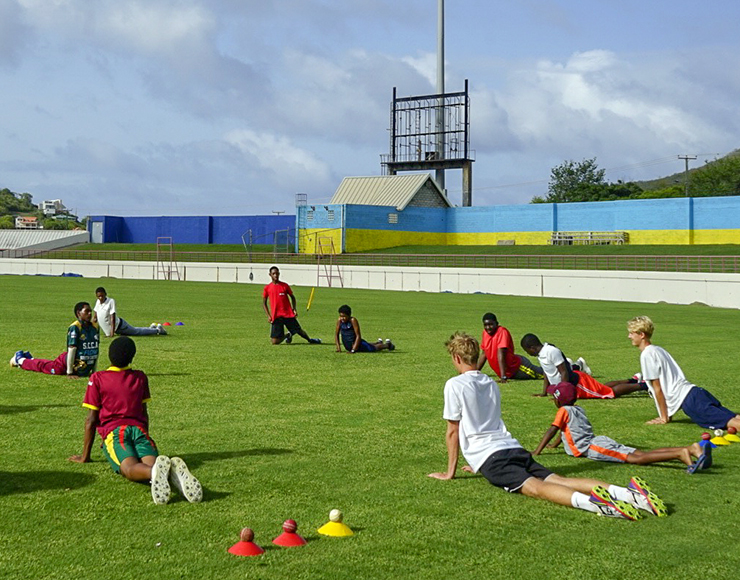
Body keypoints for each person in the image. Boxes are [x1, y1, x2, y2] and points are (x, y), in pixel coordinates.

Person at [427, 332, 666, 520]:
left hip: (492, 457)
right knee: (559, 479)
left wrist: (451, 473)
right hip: (512, 448)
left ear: (456, 358)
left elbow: (453, 431)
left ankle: (597, 505)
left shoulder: (454, 385)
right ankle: (628, 493)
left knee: (536, 489)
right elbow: (485, 422)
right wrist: (477, 463)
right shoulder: (490, 382)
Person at [68, 336, 202, 505]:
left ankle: (156, 473)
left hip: (116, 433)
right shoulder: (140, 377)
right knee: (151, 465)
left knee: (129, 468)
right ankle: (167, 473)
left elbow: (91, 419)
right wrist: (145, 433)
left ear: (109, 355)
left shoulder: (98, 378)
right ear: (132, 358)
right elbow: (144, 413)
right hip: (139, 431)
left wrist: (85, 456)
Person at [533, 382, 711, 477]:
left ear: (558, 400)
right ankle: (691, 449)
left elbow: (553, 430)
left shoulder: (563, 411)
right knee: (641, 453)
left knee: (637, 459)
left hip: (593, 448)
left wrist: (538, 451)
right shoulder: (578, 409)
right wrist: (555, 446)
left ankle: (680, 454)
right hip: (599, 441)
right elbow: (565, 432)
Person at [628, 316, 740, 431]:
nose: (629, 336)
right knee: (734, 418)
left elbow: (658, 388)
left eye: (632, 333)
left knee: (733, 423)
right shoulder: (657, 349)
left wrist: (664, 417)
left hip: (690, 401)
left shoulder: (647, 355)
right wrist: (668, 415)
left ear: (641, 335)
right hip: (696, 393)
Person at [520, 333, 645, 399]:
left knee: (608, 393)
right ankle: (632, 380)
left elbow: (564, 372)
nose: (527, 354)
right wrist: (544, 392)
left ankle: (644, 386)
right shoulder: (541, 354)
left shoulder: (551, 351)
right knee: (602, 388)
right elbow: (547, 373)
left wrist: (564, 393)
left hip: (577, 384)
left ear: (532, 347)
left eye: (527, 351)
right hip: (571, 384)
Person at [10, 302, 100, 379]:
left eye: (90, 311)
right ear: (78, 313)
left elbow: (96, 350)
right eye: (86, 311)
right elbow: (72, 349)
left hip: (79, 365)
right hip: (66, 362)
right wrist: (69, 372)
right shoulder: (75, 327)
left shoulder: (95, 327)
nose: (89, 314)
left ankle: (29, 358)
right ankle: (20, 360)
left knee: (49, 364)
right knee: (46, 367)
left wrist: (94, 372)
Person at [262, 266, 321, 345]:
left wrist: (294, 309)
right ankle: (288, 335)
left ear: (279, 274)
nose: (275, 275)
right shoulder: (267, 288)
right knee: (274, 342)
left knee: (299, 331)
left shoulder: (284, 286)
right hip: (276, 316)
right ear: (270, 275)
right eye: (273, 274)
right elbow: (264, 303)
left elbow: (292, 297)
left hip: (287, 314)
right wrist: (269, 315)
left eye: (277, 273)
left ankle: (310, 340)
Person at [476, 312, 543, 381]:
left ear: (496, 323)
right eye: (485, 325)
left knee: (543, 374)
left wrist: (503, 377)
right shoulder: (485, 333)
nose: (488, 327)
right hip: (509, 372)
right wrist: (475, 372)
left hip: (518, 367)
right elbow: (484, 354)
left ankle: (552, 365)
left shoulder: (502, 332)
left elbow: (501, 354)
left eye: (491, 324)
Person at [93, 287, 166, 337]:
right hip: (117, 330)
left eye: (102, 296)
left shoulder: (110, 301)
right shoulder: (98, 302)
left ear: (105, 294)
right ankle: (152, 328)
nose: (100, 298)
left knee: (137, 332)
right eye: (99, 296)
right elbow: (95, 315)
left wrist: (111, 333)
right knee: (136, 330)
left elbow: (113, 318)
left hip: (120, 326)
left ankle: (158, 330)